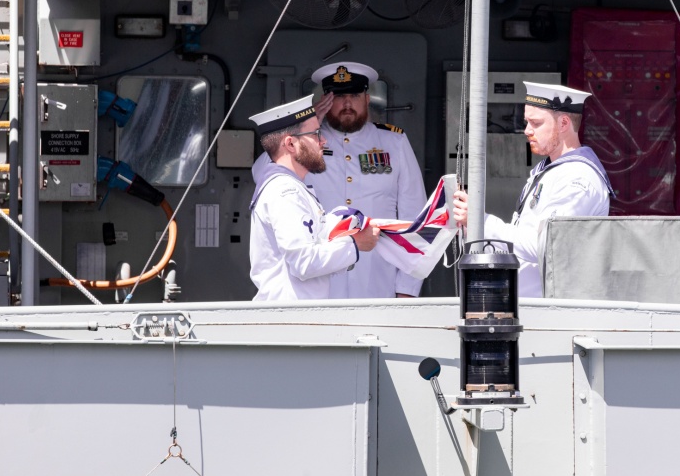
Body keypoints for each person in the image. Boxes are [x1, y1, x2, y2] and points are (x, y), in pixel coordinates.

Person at [453, 81, 614, 297]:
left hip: (554, 312)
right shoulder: (550, 170)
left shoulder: (578, 178)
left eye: (535, 123)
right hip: (534, 305)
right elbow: (523, 238)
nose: (527, 131)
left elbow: (544, 246)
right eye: (526, 122)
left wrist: (481, 222)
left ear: (564, 123)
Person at [310, 61, 427, 298]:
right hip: (319, 277)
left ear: (366, 99)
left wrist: (407, 288)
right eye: (338, 96)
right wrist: (309, 124)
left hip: (377, 276)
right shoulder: (306, 143)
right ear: (324, 100)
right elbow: (265, 173)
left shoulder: (394, 142)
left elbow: (414, 217)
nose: (347, 104)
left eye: (354, 95)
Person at [248, 95, 380, 301]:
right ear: (291, 144)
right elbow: (304, 262)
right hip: (290, 320)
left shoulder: (290, 187)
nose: (323, 141)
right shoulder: (285, 192)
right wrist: (355, 243)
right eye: (316, 134)